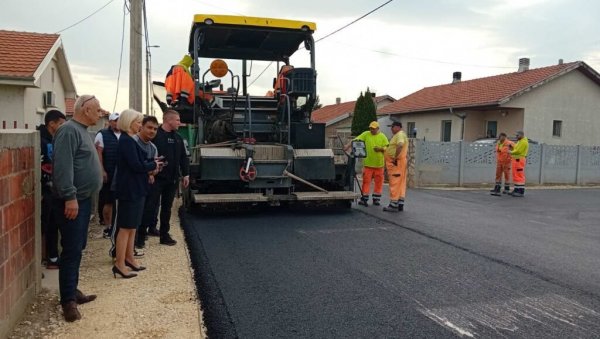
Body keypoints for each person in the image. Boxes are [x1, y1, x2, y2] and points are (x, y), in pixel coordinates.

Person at [52, 94, 103, 322]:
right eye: (97, 109)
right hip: (72, 201)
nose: (100, 113)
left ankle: (72, 290)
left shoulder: (82, 130)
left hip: (83, 200)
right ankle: (68, 302)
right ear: (85, 109)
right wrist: (70, 197)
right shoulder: (69, 130)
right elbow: (63, 167)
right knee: (71, 249)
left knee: (78, 246)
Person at [112, 110, 161, 279]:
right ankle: (119, 263)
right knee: (125, 228)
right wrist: (152, 165)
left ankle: (129, 258)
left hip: (137, 188)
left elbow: (140, 164)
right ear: (129, 122)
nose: (140, 126)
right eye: (138, 122)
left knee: (133, 226)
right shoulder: (126, 142)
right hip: (129, 190)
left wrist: (149, 165)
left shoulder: (129, 141)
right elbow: (136, 165)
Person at [142, 109, 190, 246]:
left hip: (172, 180)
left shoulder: (178, 138)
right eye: (177, 120)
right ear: (168, 120)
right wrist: (149, 173)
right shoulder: (155, 136)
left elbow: (184, 158)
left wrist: (185, 174)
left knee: (167, 208)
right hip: (156, 179)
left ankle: (164, 235)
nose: (180, 123)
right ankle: (141, 235)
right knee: (149, 206)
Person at [39, 109, 66, 269]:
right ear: (52, 124)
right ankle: (48, 258)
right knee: (45, 225)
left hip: (54, 189)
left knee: (53, 224)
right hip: (44, 189)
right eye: (61, 124)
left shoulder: (55, 139)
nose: (63, 127)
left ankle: (53, 256)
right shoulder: (41, 140)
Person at [344, 121, 389, 206]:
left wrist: (381, 149)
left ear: (378, 128)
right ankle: (364, 198)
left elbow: (387, 147)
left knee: (378, 183)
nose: (371, 130)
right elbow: (356, 139)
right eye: (371, 128)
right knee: (366, 182)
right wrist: (348, 146)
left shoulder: (383, 136)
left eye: (373, 128)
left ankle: (376, 199)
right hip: (368, 164)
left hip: (379, 165)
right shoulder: (366, 134)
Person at [134, 116, 160, 250]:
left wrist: (152, 171)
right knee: (133, 217)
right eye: (149, 127)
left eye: (155, 129)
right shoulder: (133, 142)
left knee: (147, 211)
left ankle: (141, 238)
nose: (152, 131)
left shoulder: (153, 148)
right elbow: (134, 166)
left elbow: (155, 168)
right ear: (141, 127)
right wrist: (149, 169)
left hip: (146, 186)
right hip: (132, 187)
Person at [95, 112, 121, 237]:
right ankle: (108, 227)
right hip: (109, 173)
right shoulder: (102, 134)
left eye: (119, 120)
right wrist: (102, 170)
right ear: (110, 122)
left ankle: (116, 225)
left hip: (121, 174)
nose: (117, 123)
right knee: (108, 201)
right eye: (115, 120)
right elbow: (98, 153)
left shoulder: (125, 134)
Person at [383, 121, 408, 212]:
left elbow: (400, 145)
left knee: (395, 182)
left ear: (397, 127)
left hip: (396, 163)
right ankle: (400, 203)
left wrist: (395, 157)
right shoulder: (400, 135)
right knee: (401, 183)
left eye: (392, 127)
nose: (391, 129)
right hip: (400, 163)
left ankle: (393, 204)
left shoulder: (399, 135)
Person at [509, 130, 529, 197]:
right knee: (516, 175)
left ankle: (520, 191)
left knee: (519, 175)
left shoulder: (523, 142)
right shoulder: (520, 141)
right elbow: (516, 148)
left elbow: (518, 151)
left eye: (517, 135)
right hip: (516, 160)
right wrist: (512, 148)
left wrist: (510, 152)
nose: (516, 136)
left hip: (519, 160)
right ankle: (516, 189)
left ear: (521, 135)